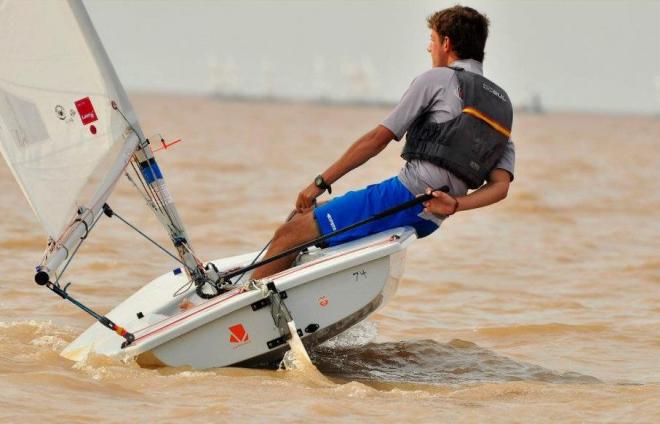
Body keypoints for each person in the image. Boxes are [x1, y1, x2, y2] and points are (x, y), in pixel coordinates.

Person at [251, 5, 515, 280]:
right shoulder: (502, 105)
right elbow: (500, 186)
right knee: (304, 222)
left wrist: (318, 184)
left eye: (433, 40)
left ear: (446, 43)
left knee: (289, 233)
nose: (429, 49)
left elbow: (377, 139)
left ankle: (247, 307)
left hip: (403, 198)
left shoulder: (436, 78)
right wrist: (455, 204)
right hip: (431, 218)